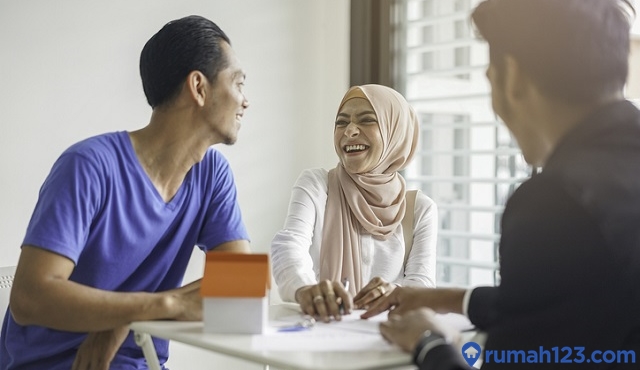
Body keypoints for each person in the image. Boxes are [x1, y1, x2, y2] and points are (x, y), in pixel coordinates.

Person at [362, 0, 640, 369]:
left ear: (512, 77)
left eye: (489, 78)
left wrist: (428, 342)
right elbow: (585, 297)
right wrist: (449, 299)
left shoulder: (555, 203)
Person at [0, 15, 251, 370]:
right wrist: (163, 306)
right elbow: (29, 297)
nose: (245, 101)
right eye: (238, 83)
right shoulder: (88, 166)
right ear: (199, 87)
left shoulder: (212, 175)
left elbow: (242, 293)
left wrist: (125, 318)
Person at [271, 84, 438, 322]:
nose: (349, 131)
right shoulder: (317, 185)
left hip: (387, 338)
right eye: (341, 122)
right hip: (319, 334)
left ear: (395, 132)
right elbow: (289, 246)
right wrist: (307, 290)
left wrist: (395, 294)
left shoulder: (420, 209)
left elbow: (422, 284)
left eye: (367, 120)